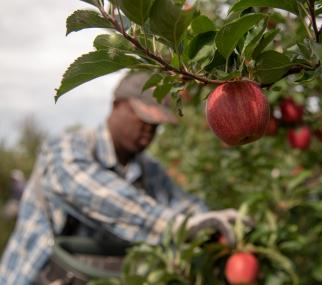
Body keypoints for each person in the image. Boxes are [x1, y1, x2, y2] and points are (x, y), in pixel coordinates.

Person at [0, 71, 238, 285]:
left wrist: (216, 225)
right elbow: (99, 194)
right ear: (116, 105)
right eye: (143, 118)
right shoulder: (65, 149)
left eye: (156, 125)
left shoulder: (149, 171)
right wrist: (176, 227)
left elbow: (183, 204)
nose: (149, 130)